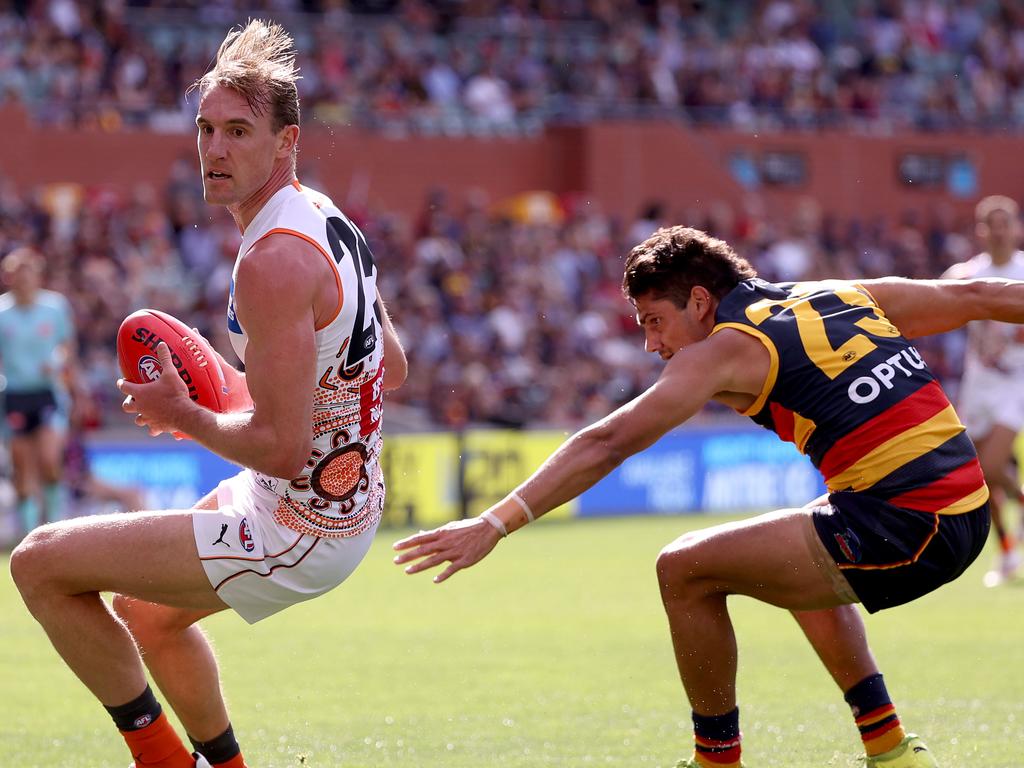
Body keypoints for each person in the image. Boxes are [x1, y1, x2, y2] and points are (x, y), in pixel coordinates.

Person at [393, 225, 1024, 768]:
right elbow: (975, 296)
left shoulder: (725, 348)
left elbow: (607, 441)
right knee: (791, 551)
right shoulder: (836, 295)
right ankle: (889, 747)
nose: (651, 343)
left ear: (700, 300)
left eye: (655, 321)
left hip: (911, 525)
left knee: (684, 570)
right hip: (962, 505)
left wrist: (495, 524)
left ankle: (716, 758)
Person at [11, 19, 406, 768]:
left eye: (238, 131)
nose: (215, 150)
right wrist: (243, 393)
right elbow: (392, 368)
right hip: (338, 500)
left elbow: (285, 448)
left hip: (297, 521)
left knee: (37, 563)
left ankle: (160, 761)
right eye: (205, 128)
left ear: (285, 142)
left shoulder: (271, 264)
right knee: (147, 618)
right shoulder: (326, 218)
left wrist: (185, 415)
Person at [941, 194, 1024, 586]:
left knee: (989, 467)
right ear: (981, 231)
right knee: (980, 478)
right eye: (991, 224)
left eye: (1005, 222)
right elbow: (935, 298)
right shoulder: (969, 273)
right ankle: (1007, 553)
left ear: (1016, 228)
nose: (999, 230)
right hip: (979, 384)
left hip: (1016, 382)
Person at [0, 246, 82, 536]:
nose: (23, 280)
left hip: (47, 392)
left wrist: (56, 362)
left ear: (37, 275)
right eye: (17, 274)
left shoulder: (54, 307)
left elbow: (67, 345)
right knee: (23, 470)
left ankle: (55, 528)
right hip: (15, 396)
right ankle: (29, 536)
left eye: (28, 273)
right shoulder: (2, 313)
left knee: (49, 461)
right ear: (8, 277)